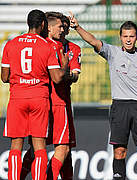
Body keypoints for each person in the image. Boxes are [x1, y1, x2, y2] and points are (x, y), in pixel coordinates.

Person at [69, 12, 137, 180]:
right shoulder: (112, 52)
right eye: (125, 36)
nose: (128, 39)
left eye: (131, 36)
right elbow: (93, 41)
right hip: (120, 107)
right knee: (120, 151)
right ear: (120, 37)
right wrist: (77, 27)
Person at [1, 9, 68, 180]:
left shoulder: (11, 44)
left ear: (28, 23)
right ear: (43, 24)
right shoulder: (46, 46)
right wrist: (65, 64)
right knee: (39, 148)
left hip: (17, 98)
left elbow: (4, 77)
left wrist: (21, 78)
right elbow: (57, 78)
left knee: (16, 146)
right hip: (39, 98)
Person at [20, 12, 81, 180]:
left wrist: (66, 73)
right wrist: (62, 70)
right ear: (49, 27)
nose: (64, 30)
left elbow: (75, 75)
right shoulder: (43, 46)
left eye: (66, 27)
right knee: (40, 150)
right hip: (46, 102)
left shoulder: (73, 49)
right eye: (61, 26)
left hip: (61, 103)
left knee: (65, 151)